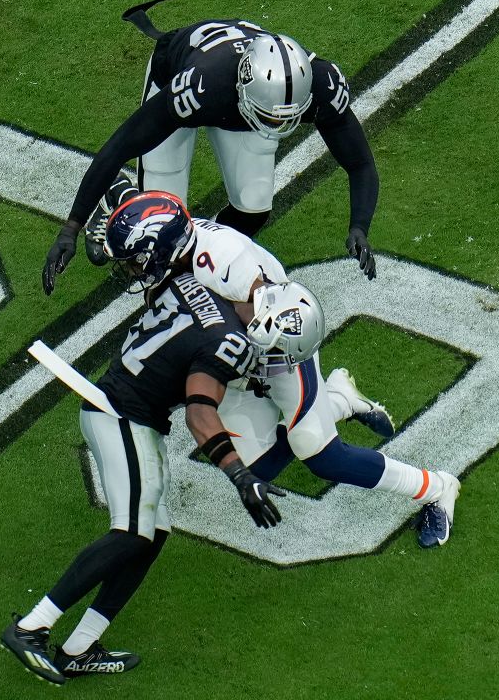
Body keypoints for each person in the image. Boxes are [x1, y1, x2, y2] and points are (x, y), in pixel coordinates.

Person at [1, 223, 318, 684]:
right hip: (121, 416)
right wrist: (240, 475)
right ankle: (32, 627)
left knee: (154, 534)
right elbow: (200, 415)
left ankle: (80, 646)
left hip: (125, 406)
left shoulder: (194, 283)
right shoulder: (227, 341)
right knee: (132, 533)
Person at [97, 187, 460, 549]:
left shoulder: (228, 265)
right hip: (236, 353)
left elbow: (271, 319)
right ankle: (338, 400)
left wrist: (221, 357)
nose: (133, 269)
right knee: (261, 468)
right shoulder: (179, 246)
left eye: (136, 260)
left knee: (322, 455)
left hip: (277, 348)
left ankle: (436, 488)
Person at [42, 0, 380, 297]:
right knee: (159, 225)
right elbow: (120, 145)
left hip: (240, 101)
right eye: (271, 117)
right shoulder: (201, 88)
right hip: (182, 73)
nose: (277, 126)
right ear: (247, 89)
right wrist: (71, 227)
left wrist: (359, 226)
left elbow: (360, 163)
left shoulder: (316, 86)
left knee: (253, 206)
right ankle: (118, 194)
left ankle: (203, 264)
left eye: (285, 119)